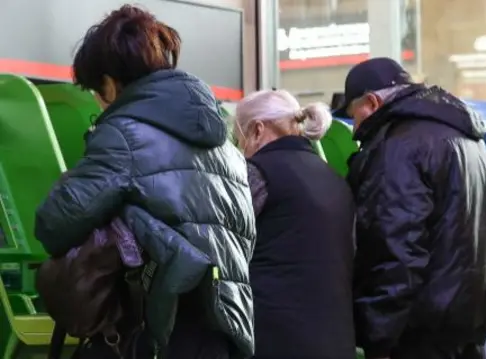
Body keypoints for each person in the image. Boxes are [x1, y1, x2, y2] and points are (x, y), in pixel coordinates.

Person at [34, 5, 255, 359]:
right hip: (221, 331)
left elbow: (53, 224)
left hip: (153, 334)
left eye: (95, 88)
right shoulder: (227, 148)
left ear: (109, 81)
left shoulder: (124, 134)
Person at [334, 57, 486, 359]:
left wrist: (373, 335)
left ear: (372, 102)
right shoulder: (468, 138)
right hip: (471, 326)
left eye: (355, 117)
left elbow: (394, 249)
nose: (355, 131)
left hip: (421, 335)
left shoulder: (397, 146)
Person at [233, 89, 356, 359]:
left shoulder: (255, 173)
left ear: (257, 130)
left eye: (237, 137)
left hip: (274, 339)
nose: (238, 148)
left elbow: (225, 247)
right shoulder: (333, 177)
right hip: (335, 339)